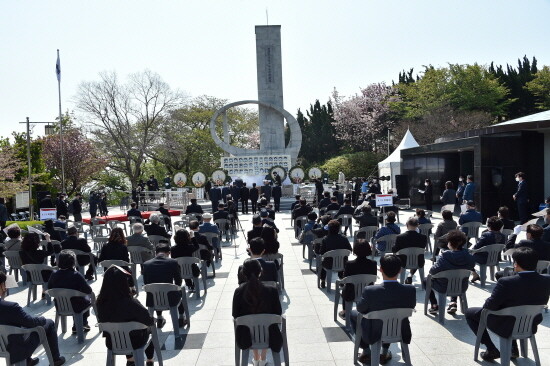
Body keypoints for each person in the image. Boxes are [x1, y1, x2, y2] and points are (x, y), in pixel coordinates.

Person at [465, 247, 550, 361]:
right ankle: (513, 348)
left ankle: (491, 349)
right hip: (530, 323)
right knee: (511, 310)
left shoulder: (506, 282)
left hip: (506, 323)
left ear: (516, 264)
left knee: (470, 313)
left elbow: (490, 306)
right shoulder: (546, 279)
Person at [350, 254, 415, 364]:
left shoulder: (370, 290)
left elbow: (361, 308)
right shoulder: (410, 290)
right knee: (391, 316)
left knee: (353, 313)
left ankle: (366, 350)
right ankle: (384, 352)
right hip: (400, 329)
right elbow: (411, 306)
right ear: (400, 270)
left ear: (381, 270)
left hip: (374, 332)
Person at [0, 271, 66, 366]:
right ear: (2, 285)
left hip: (2, 345)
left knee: (18, 326)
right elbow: (30, 322)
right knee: (49, 323)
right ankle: (56, 360)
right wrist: (42, 319)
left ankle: (27, 360)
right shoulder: (11, 307)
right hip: (16, 346)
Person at [96, 265, 156, 365]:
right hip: (135, 343)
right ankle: (149, 360)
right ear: (123, 282)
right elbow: (148, 320)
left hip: (112, 342)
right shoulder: (131, 303)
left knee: (121, 330)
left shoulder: (100, 303)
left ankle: (130, 359)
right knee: (149, 329)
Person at [233, 259, 282, 366]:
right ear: (260, 272)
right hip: (271, 336)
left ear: (243, 273)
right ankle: (262, 358)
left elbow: (235, 315)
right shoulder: (272, 291)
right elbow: (278, 313)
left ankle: (256, 358)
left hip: (246, 337)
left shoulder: (238, 291)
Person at [427, 230, 475, 315]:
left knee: (426, 280)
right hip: (462, 286)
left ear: (450, 243)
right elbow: (472, 266)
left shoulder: (445, 255)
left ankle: (434, 305)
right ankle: (453, 302)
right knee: (456, 278)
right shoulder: (468, 255)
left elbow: (432, 271)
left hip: (443, 287)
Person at [48, 250, 93, 333]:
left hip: (60, 305)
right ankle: (82, 323)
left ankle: (77, 324)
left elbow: (49, 288)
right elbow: (88, 290)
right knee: (86, 297)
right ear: (73, 262)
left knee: (78, 299)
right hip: (77, 306)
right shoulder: (76, 275)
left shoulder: (54, 274)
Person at [143, 244, 188, 327]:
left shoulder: (146, 264)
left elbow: (146, 282)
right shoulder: (172, 262)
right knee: (179, 291)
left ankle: (159, 318)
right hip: (170, 297)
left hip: (153, 299)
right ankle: (181, 317)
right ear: (168, 253)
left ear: (155, 253)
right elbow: (178, 280)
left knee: (155, 292)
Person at [337, 240, 377, 319]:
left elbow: (345, 279)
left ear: (355, 250)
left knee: (346, 288)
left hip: (351, 293)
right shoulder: (373, 263)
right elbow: (373, 278)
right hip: (367, 292)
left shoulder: (349, 264)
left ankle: (345, 312)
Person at [392, 217, 427, 284]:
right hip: (419, 261)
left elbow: (394, 250)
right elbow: (422, 248)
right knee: (416, 256)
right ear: (417, 225)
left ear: (407, 225)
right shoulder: (423, 237)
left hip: (403, 262)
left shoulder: (400, 237)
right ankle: (410, 275)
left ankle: (403, 281)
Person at [318, 220, 352, 288]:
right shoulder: (344, 238)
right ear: (339, 229)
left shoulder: (325, 239)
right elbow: (350, 249)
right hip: (343, 264)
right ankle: (341, 278)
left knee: (322, 263)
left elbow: (321, 252)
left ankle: (323, 280)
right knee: (341, 258)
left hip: (329, 264)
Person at [470, 216, 505, 283]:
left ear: (489, 226)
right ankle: (485, 276)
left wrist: (472, 251)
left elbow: (476, 247)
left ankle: (474, 274)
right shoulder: (503, 236)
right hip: (495, 258)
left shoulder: (486, 235)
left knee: (467, 257)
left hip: (483, 258)